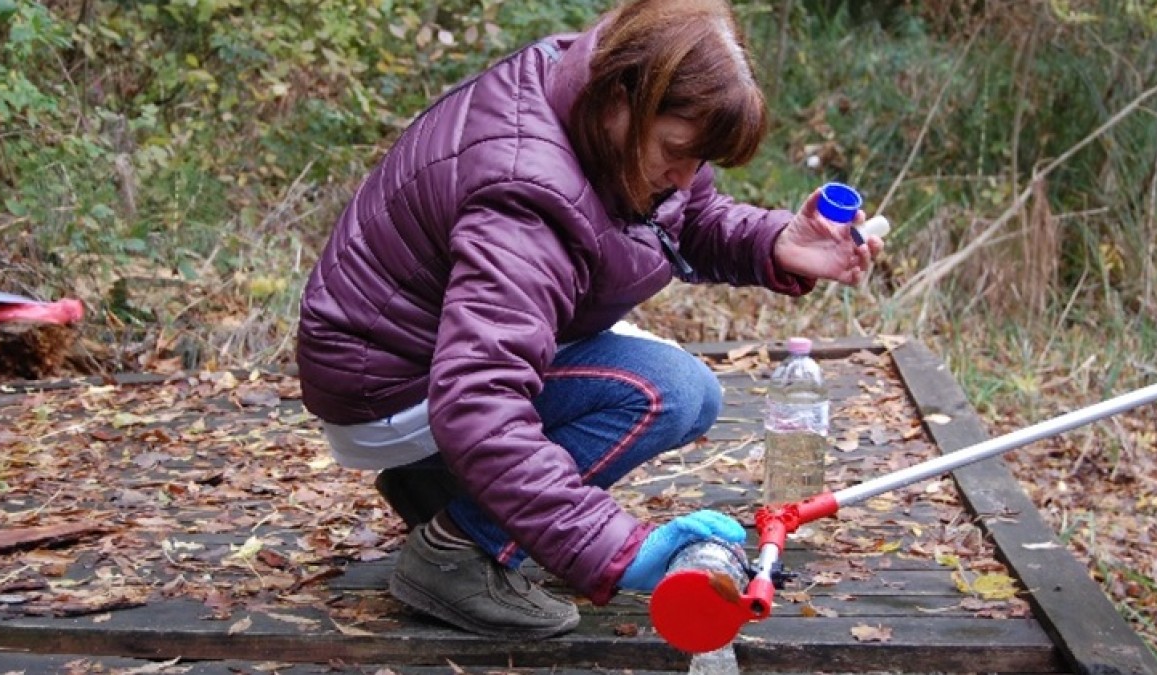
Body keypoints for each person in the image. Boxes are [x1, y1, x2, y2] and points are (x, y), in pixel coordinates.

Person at [296, 0, 883, 640]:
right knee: (669, 390)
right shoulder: (526, 189)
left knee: (671, 382)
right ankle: (456, 552)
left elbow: (685, 217)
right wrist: (617, 553)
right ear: (625, 96)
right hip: (391, 380)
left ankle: (438, 489)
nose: (684, 178)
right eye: (678, 153)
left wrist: (775, 241)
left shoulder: (595, 97)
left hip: (418, 351)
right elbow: (479, 401)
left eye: (698, 161)